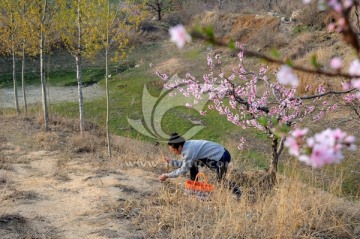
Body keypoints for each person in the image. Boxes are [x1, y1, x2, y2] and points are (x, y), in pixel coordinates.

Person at [159, 133, 241, 197]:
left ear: (179, 147)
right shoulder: (187, 145)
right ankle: (194, 188)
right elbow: (187, 164)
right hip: (220, 153)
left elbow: (183, 171)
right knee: (193, 164)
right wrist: (172, 162)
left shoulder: (188, 151)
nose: (173, 152)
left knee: (221, 180)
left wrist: (167, 175)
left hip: (221, 157)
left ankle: (238, 193)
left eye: (173, 150)